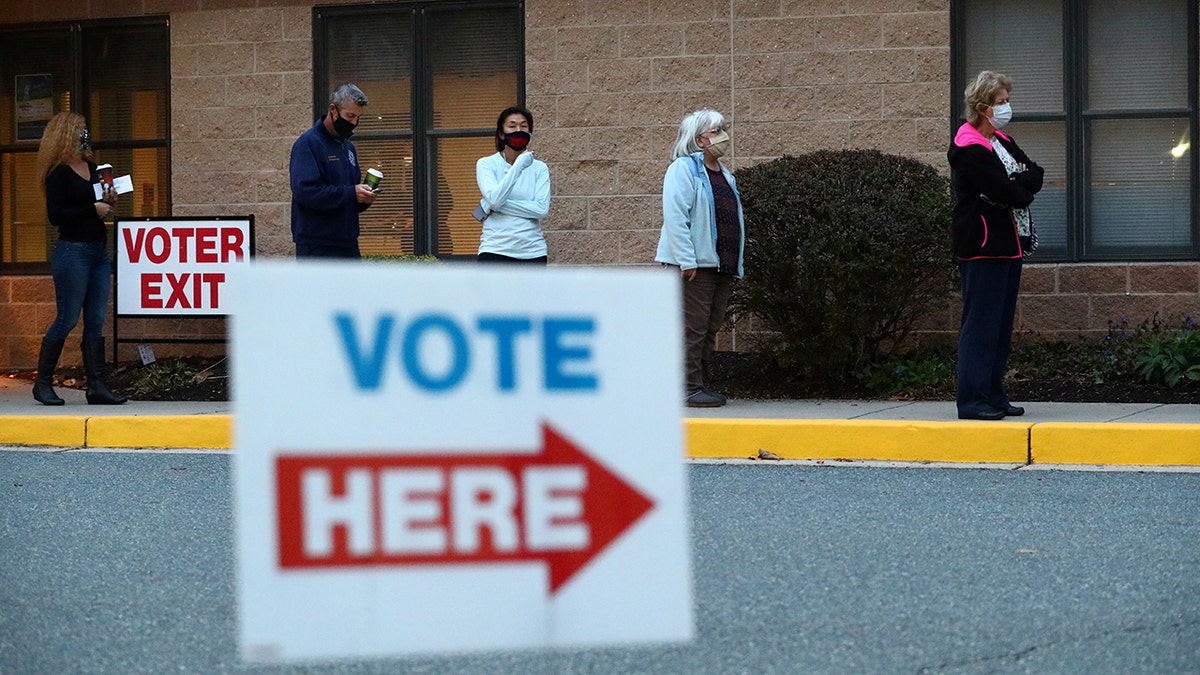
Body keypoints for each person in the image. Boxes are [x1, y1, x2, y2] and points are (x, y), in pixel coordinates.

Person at [948, 71, 1044, 420]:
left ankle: (994, 394)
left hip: (1009, 244)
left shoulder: (1001, 140)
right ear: (981, 107)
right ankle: (972, 400)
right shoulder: (969, 147)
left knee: (1001, 326)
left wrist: (1019, 179)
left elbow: (1036, 174)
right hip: (983, 245)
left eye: (1007, 101)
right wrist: (1017, 184)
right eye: (1001, 103)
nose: (1006, 108)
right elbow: (1008, 192)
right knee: (981, 324)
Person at [32, 112, 125, 405]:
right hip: (73, 251)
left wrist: (108, 199)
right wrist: (91, 209)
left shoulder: (92, 167)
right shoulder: (57, 172)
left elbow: (95, 202)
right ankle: (42, 384)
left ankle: (96, 385)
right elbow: (56, 216)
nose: (85, 135)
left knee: (96, 319)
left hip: (98, 250)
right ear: (66, 135)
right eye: (80, 131)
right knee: (68, 318)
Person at [656, 109, 745, 408]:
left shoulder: (725, 174)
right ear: (699, 140)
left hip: (720, 265)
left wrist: (736, 266)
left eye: (723, 128)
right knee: (692, 327)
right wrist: (686, 259)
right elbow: (676, 217)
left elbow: (734, 221)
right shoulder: (683, 169)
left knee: (709, 326)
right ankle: (687, 388)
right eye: (716, 130)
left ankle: (700, 385)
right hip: (694, 266)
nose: (723, 135)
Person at [290, 83, 376, 259]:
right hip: (317, 245)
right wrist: (352, 193)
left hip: (348, 242)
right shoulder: (308, 143)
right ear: (333, 109)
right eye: (350, 116)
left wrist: (364, 198)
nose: (353, 123)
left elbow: (347, 197)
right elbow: (306, 192)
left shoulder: (348, 147)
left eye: (358, 117)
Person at [474, 106, 550, 263]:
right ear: (501, 134)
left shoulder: (539, 168)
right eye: (512, 126)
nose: (518, 130)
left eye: (523, 126)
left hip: (532, 252)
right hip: (495, 250)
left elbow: (541, 210)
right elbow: (495, 200)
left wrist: (492, 205)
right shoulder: (486, 164)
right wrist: (519, 165)